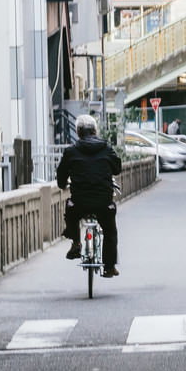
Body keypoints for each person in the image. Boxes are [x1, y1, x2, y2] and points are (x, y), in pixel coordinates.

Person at [56, 113, 121, 277]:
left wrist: (63, 184)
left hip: (79, 202)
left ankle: (76, 242)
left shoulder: (71, 152)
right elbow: (117, 169)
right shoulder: (106, 148)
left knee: (70, 212)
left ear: (78, 132)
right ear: (95, 131)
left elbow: (61, 175)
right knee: (110, 231)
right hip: (103, 202)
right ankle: (109, 267)